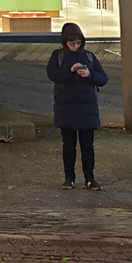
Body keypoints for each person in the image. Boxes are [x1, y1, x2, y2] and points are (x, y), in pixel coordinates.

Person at [47, 21, 109, 190]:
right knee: (68, 146)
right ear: (65, 42)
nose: (75, 46)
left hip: (86, 109)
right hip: (66, 108)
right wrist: (70, 71)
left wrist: (89, 74)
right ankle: (69, 178)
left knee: (87, 145)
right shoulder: (58, 56)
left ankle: (90, 178)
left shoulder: (89, 57)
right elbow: (53, 74)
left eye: (78, 43)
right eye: (71, 43)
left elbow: (103, 79)